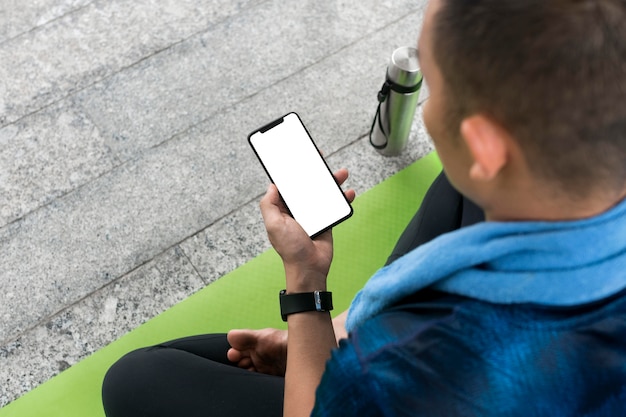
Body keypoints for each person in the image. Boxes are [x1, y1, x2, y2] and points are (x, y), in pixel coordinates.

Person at [102, 0, 626, 415]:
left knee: (137, 379)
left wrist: (306, 292)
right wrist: (331, 336)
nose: (426, 106)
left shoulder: (419, 370)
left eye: (435, 87)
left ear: (487, 145)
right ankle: (346, 331)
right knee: (458, 183)